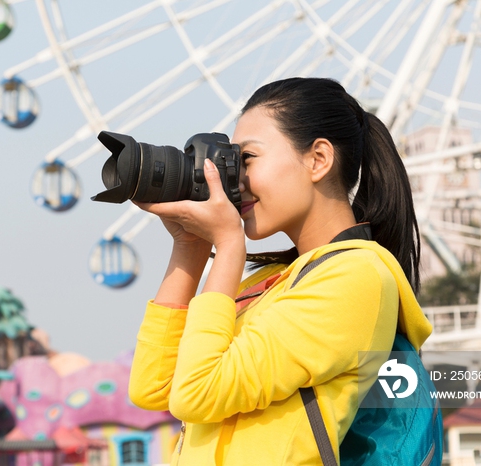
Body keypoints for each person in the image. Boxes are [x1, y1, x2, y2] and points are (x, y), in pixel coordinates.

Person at [128, 77, 433, 465]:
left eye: (247, 159)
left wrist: (229, 246)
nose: (234, 179)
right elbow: (154, 388)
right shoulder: (267, 284)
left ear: (318, 160)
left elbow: (197, 391)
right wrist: (190, 247)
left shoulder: (357, 277)